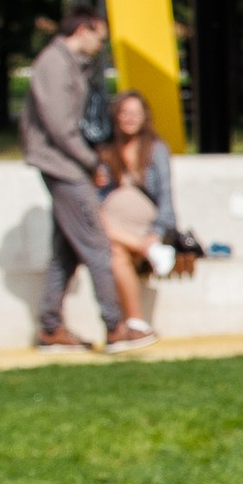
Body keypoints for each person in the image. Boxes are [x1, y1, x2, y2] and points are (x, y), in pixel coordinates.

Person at [23, 5, 143, 352]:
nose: (100, 45)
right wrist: (92, 163)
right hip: (63, 167)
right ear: (83, 30)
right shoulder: (54, 64)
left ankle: (51, 328)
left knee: (66, 251)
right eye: (99, 37)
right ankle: (115, 327)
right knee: (97, 245)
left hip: (66, 165)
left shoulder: (68, 64)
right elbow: (61, 128)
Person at [95, 89, 186, 320]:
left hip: (144, 227)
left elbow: (166, 197)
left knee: (115, 251)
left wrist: (156, 234)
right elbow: (96, 197)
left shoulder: (156, 149)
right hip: (111, 225)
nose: (130, 118)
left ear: (145, 116)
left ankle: (133, 321)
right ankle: (136, 321)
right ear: (116, 116)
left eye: (135, 113)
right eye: (125, 112)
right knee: (105, 237)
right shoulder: (107, 150)